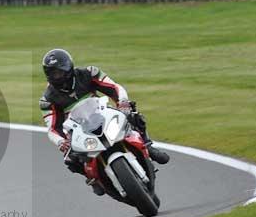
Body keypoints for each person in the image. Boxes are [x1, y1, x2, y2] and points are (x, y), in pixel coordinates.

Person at [39, 48, 169, 195]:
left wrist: (123, 102)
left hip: (103, 114)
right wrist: (61, 142)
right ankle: (92, 178)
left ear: (68, 67)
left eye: (60, 72)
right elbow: (53, 128)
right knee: (70, 158)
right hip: (78, 130)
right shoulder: (47, 99)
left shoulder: (89, 73)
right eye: (53, 73)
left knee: (133, 114)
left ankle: (148, 146)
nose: (58, 76)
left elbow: (114, 87)